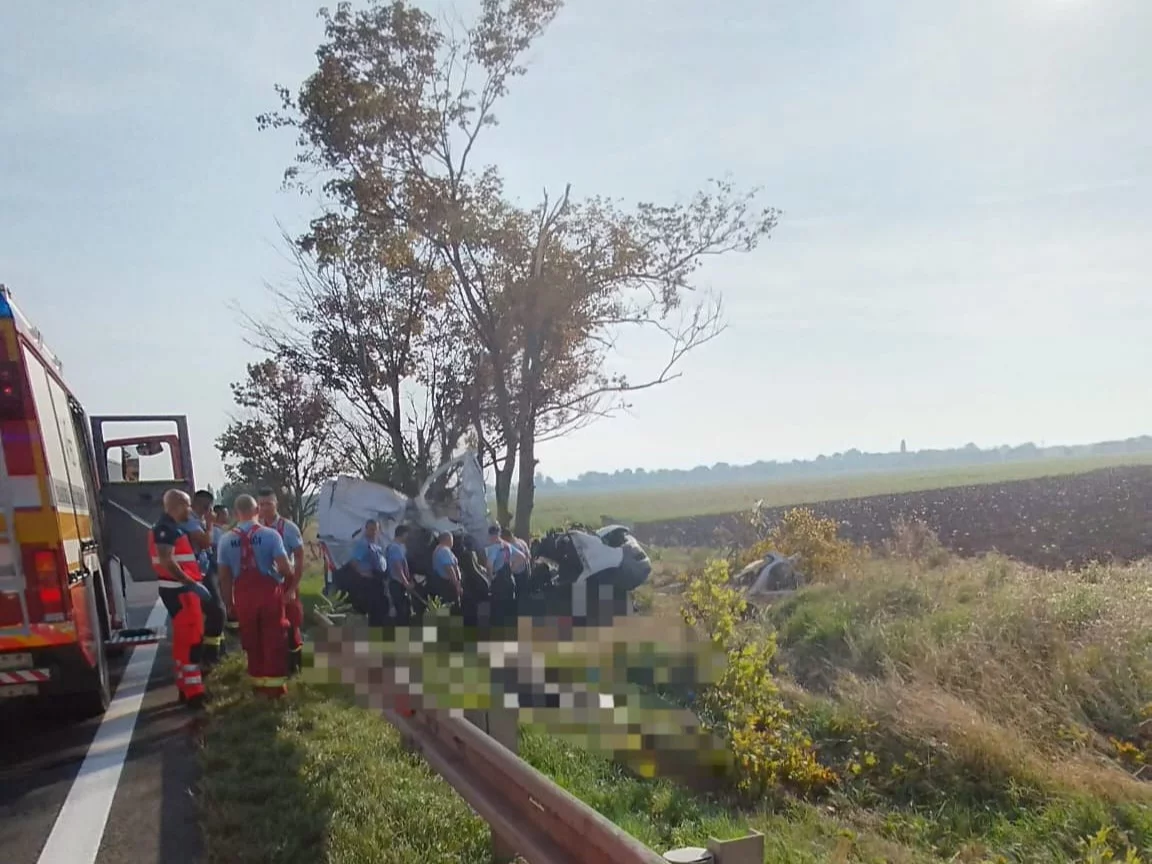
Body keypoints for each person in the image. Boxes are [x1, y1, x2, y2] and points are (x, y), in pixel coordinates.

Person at [216, 494, 294, 698]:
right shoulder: (271, 535)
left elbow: (224, 577)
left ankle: (258, 685)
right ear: (257, 511)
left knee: (252, 639)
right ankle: (275, 689)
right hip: (269, 593)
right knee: (274, 638)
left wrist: (228, 603)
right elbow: (286, 569)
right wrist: (289, 585)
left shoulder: (225, 540)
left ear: (235, 513)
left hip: (243, 595)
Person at [149, 489, 215, 708]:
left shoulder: (168, 528)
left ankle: (185, 687)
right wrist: (191, 582)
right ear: (177, 506)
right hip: (181, 592)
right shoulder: (166, 530)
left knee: (183, 641)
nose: (190, 510)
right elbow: (167, 561)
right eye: (187, 506)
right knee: (193, 641)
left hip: (179, 591)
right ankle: (194, 693)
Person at [257, 488, 305, 675]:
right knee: (270, 626)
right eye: (261, 504)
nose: (265, 508)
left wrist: (293, 587)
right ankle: (276, 664)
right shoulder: (257, 528)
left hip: (286, 580)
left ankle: (297, 666)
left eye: (268, 503)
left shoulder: (289, 528)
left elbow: (300, 559)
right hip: (265, 584)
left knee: (292, 623)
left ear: (276, 504)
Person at [186, 489, 226, 667]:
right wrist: (210, 524)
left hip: (203, 570)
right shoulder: (191, 521)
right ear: (206, 507)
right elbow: (205, 542)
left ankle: (211, 653)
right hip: (196, 573)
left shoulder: (197, 519)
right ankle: (209, 656)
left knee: (215, 611)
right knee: (217, 611)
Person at [349, 519, 390, 625]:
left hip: (378, 579)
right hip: (368, 581)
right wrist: (363, 573)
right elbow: (354, 562)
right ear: (366, 529)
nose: (374, 532)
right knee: (374, 608)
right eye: (371, 529)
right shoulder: (363, 544)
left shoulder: (376, 545)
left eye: (376, 530)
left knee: (382, 608)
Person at [484, 525, 525, 627]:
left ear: (490, 535)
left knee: (498, 610)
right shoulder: (508, 546)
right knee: (510, 606)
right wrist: (512, 569)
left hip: (499, 582)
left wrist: (490, 577)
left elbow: (489, 565)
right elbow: (522, 557)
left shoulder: (493, 548)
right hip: (509, 579)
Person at [385, 526, 414, 625]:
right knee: (402, 612)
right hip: (397, 583)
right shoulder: (395, 548)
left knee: (405, 611)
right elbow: (398, 566)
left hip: (399, 583)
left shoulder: (398, 547)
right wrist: (405, 582)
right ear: (404, 534)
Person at [432, 531, 463, 605]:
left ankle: (444, 616)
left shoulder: (437, 550)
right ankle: (449, 616)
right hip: (448, 584)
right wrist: (457, 584)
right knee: (451, 606)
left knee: (444, 606)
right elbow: (449, 568)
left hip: (441, 583)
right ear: (448, 539)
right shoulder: (444, 550)